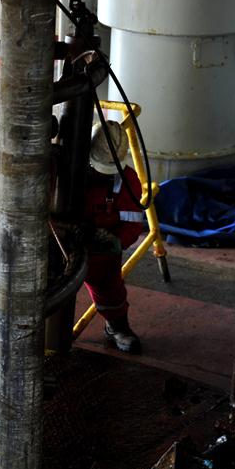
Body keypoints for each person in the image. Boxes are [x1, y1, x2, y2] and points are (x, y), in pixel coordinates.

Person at [83, 120, 146, 354]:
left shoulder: (127, 181)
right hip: (62, 243)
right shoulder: (66, 169)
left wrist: (115, 241)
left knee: (110, 289)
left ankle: (117, 328)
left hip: (101, 250)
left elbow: (132, 224)